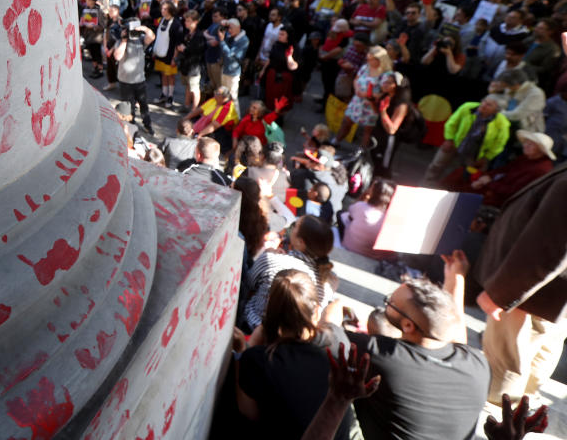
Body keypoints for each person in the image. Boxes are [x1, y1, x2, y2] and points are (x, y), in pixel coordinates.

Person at [347, 253, 491, 440]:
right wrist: (456, 278)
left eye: (389, 301)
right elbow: (454, 338)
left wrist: (335, 305)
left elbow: (326, 333)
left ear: (407, 326)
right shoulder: (479, 364)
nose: (387, 303)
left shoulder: (382, 355)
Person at [473, 165, 567, 408]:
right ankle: (520, 408)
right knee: (539, 355)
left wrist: (501, 294)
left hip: (530, 291)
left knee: (503, 379)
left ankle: (497, 412)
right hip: (549, 294)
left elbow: (550, 247)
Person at [233, 269, 354, 440]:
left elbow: (248, 413)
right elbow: (333, 318)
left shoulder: (258, 359)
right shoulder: (338, 340)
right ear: (317, 311)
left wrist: (241, 352)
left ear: (269, 313)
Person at [241, 215, 336, 331]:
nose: (292, 226)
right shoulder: (327, 281)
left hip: (251, 328)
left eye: (295, 225)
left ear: (301, 242)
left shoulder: (272, 260)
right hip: (292, 339)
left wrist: (264, 254)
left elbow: (246, 284)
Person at [423, 94, 511, 184]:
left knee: (462, 176)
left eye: (489, 105)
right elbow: (451, 123)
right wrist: (449, 139)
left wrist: (486, 157)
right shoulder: (468, 107)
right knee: (436, 167)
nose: (483, 105)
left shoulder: (503, 123)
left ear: (496, 111)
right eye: (484, 101)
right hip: (454, 144)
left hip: (475, 154)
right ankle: (425, 186)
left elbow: (499, 144)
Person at [461, 131, 556, 206]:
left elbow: (513, 192)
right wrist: (486, 178)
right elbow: (504, 169)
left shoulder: (539, 170)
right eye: (526, 142)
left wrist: (488, 183)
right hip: (497, 187)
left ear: (540, 150)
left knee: (463, 195)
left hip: (504, 200)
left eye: (531, 145)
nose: (525, 146)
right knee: (462, 176)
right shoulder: (527, 157)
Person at [336, 46, 393, 147]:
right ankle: (336, 141)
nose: (369, 61)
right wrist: (357, 89)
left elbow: (385, 93)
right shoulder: (365, 68)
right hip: (357, 102)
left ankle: (361, 152)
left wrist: (367, 94)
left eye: (372, 59)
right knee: (346, 122)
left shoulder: (386, 75)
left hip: (371, 106)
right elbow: (356, 79)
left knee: (367, 132)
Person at [112, 19, 155, 134]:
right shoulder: (120, 41)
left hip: (139, 80)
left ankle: (147, 125)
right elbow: (117, 56)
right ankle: (131, 128)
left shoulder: (140, 40)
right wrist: (124, 40)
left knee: (144, 105)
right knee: (128, 108)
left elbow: (151, 37)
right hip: (125, 81)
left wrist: (144, 29)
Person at [373, 72, 417, 178]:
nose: (384, 84)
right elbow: (376, 112)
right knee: (376, 160)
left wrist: (383, 111)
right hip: (379, 133)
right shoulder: (386, 95)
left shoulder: (402, 104)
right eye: (384, 81)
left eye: (389, 83)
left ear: (397, 86)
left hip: (389, 139)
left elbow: (392, 129)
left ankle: (383, 186)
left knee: (384, 166)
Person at [340, 178, 395, 259]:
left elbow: (350, 212)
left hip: (349, 247)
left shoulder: (361, 206)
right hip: (374, 257)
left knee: (342, 215)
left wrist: (364, 196)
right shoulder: (392, 219)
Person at [183, 85, 240, 151]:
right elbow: (200, 110)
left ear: (224, 97)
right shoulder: (215, 100)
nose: (214, 94)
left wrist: (199, 134)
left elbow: (214, 126)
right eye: (215, 92)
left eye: (217, 93)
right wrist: (185, 118)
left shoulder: (228, 107)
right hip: (207, 124)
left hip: (221, 131)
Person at [152, 2, 185, 108]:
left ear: (170, 10)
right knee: (163, 74)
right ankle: (164, 94)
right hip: (160, 53)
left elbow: (178, 43)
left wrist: (174, 58)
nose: (162, 10)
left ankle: (170, 96)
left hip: (170, 54)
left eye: (165, 9)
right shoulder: (161, 20)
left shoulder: (176, 24)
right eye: (162, 8)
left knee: (170, 76)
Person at [261, 27, 299, 113]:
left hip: (284, 79)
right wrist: (263, 70)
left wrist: (289, 56)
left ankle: (278, 117)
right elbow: (270, 59)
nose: (279, 36)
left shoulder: (293, 48)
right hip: (272, 75)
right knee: (270, 98)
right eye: (279, 34)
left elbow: (293, 67)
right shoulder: (276, 45)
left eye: (282, 34)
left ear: (288, 36)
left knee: (280, 101)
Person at [496, 68, 547, 133]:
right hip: (508, 123)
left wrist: (497, 112)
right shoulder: (511, 88)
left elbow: (517, 115)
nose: (506, 89)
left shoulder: (536, 94)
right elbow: (505, 102)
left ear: (516, 85)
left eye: (507, 86)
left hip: (528, 130)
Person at [218, 17, 250, 115]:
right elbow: (219, 32)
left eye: (231, 28)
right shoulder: (229, 35)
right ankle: (224, 116)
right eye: (228, 28)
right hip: (225, 69)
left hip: (233, 73)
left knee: (233, 97)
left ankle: (236, 119)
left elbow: (230, 55)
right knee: (223, 95)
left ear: (238, 27)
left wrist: (222, 41)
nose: (229, 30)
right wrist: (222, 25)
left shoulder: (244, 40)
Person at [176, 9, 206, 112]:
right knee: (188, 86)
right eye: (185, 20)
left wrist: (184, 49)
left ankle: (194, 110)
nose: (186, 23)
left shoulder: (199, 35)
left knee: (195, 89)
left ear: (195, 21)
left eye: (188, 21)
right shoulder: (188, 33)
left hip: (194, 67)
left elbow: (198, 51)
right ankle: (187, 105)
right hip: (186, 65)